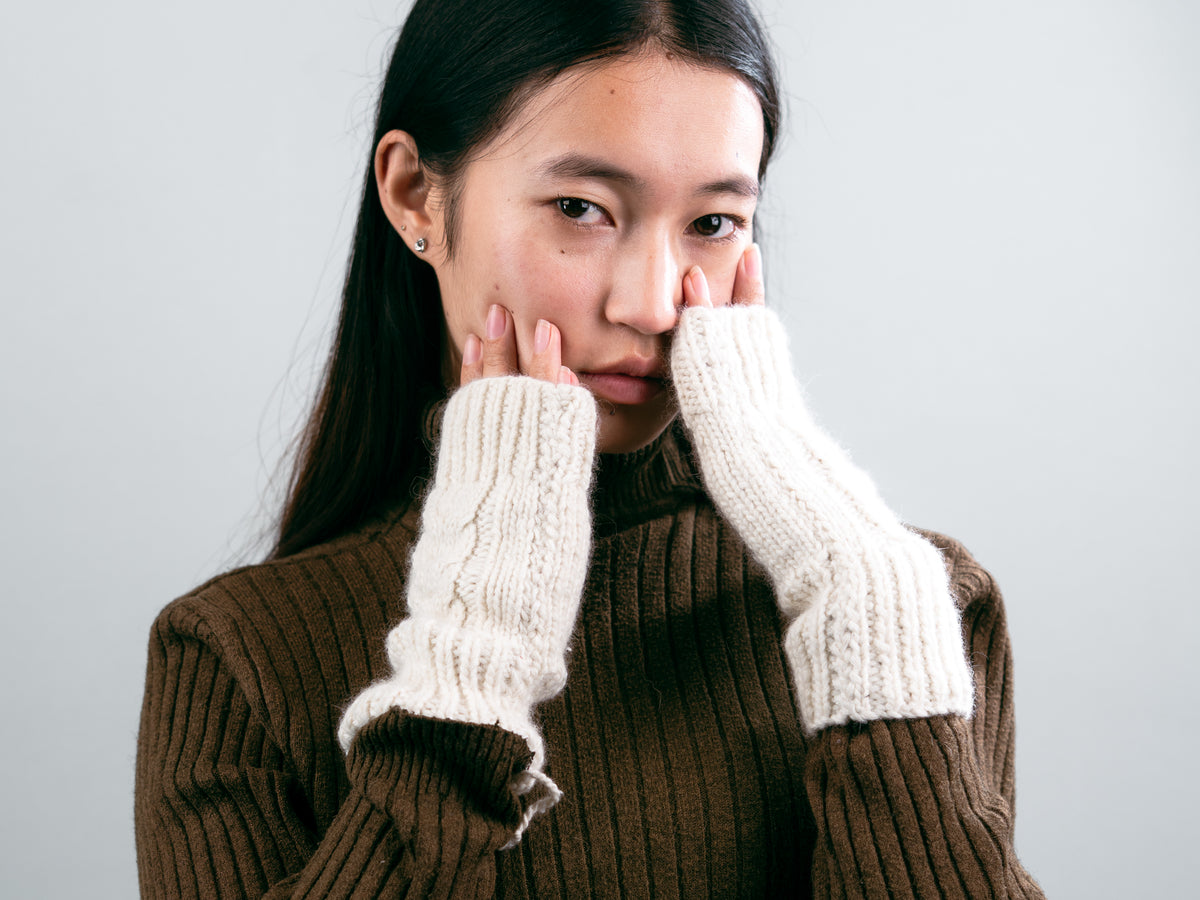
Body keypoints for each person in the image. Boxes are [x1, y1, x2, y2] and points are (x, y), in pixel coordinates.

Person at [134, 0, 1045, 896]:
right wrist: (469, 670)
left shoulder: (923, 606)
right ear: (416, 194)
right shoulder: (236, 658)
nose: (650, 305)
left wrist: (868, 595)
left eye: (714, 223)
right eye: (581, 208)